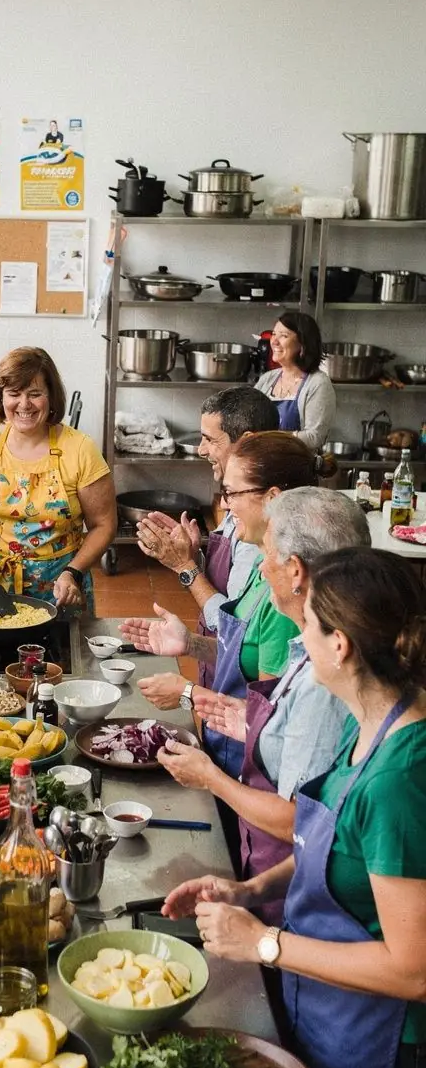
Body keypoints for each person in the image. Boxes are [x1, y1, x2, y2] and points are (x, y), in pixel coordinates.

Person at [163, 547, 426, 1068]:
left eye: (306, 625)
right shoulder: (367, 720)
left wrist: (265, 944)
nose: (296, 640)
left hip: (382, 1036)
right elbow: (323, 840)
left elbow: (412, 969)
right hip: (333, 1007)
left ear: (340, 645)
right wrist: (250, 892)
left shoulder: (404, 778)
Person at [156, 488, 370, 922]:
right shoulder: (309, 644)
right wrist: (251, 724)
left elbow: (302, 824)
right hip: (272, 876)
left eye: (267, 554)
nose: (261, 565)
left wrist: (210, 777)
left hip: (296, 896)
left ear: (295, 570)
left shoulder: (325, 676)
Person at [121, 433, 315, 777]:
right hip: (227, 748)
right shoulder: (264, 569)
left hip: (255, 767)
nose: (223, 506)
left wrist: (187, 694)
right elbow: (248, 655)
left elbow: (270, 717)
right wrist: (191, 645)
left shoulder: (288, 591)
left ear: (272, 498)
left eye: (232, 494)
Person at [0, 347, 116, 610]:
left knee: (55, 652)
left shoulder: (80, 449)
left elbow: (104, 524)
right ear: (1, 397)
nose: (24, 404)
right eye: (14, 394)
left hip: (58, 590)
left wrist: (73, 572)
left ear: (51, 397)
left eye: (35, 394)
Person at [136, 386, 279, 643]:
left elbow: (234, 628)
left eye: (210, 440)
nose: (201, 450)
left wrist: (184, 567)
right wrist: (193, 556)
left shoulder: (258, 518)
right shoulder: (242, 496)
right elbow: (226, 581)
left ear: (246, 442)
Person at [254, 312, 336, 450]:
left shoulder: (318, 383)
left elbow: (314, 437)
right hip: (265, 466)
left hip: (298, 467)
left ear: (303, 344)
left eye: (284, 336)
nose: (274, 341)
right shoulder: (268, 379)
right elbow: (248, 417)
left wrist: (270, 439)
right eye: (274, 334)